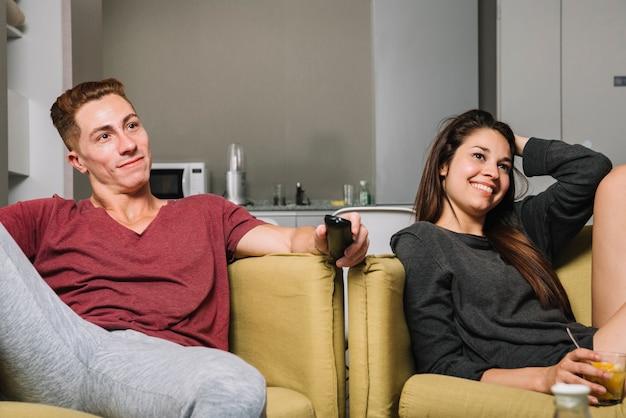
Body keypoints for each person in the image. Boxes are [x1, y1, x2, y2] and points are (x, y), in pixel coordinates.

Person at [0, 78, 369, 417]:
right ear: (78, 161)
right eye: (104, 136)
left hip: (163, 367)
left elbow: (290, 239)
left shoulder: (206, 212)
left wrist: (325, 238)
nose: (128, 144)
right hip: (61, 348)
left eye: (131, 125)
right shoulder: (46, 217)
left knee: (232, 383)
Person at [390, 109, 626, 405]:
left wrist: (509, 140)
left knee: (622, 181)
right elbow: (441, 363)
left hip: (592, 344)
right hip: (564, 366)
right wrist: (545, 377)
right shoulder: (423, 242)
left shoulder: (521, 226)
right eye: (478, 156)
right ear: (443, 165)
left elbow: (592, 168)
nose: (492, 172)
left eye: (503, 165)